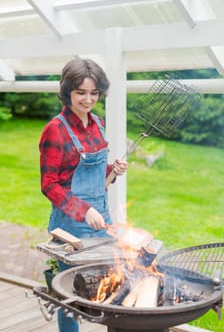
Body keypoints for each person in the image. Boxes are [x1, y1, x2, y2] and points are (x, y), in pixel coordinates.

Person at [39, 58, 128, 332]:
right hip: (70, 224)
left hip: (101, 216)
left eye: (94, 93)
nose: (88, 99)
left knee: (108, 280)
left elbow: (94, 178)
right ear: (68, 92)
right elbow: (50, 184)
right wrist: (82, 210)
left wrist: (112, 170)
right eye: (81, 92)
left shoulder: (97, 123)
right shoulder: (55, 130)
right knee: (69, 292)